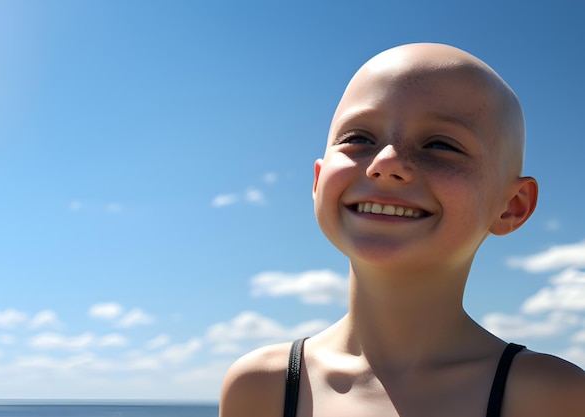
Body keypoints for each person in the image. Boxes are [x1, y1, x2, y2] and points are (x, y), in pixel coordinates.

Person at [219, 43, 585, 417]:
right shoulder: (262, 387)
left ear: (512, 206)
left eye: (440, 144)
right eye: (358, 138)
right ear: (317, 181)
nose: (386, 163)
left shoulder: (552, 397)